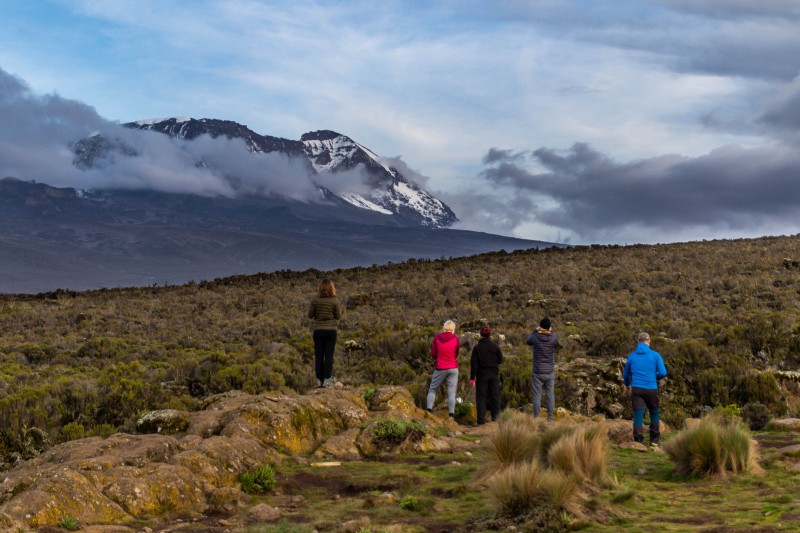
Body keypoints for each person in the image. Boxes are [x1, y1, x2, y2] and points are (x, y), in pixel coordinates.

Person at [622, 332, 668, 447]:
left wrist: (627, 385)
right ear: (649, 341)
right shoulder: (656, 355)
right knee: (654, 412)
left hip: (637, 389)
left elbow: (626, 374)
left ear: (638, 342)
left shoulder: (632, 356)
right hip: (651, 388)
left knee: (638, 414)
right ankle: (654, 441)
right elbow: (663, 372)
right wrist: (654, 377)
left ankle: (638, 441)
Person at [308, 278, 344, 388]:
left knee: (319, 355)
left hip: (318, 331)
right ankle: (328, 379)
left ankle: (319, 380)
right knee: (329, 355)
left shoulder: (315, 300)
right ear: (331, 288)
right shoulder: (334, 300)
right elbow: (338, 316)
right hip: (331, 331)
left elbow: (310, 315)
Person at [526, 317, 559, 420]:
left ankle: (536, 418)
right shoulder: (553, 337)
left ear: (540, 326)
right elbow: (557, 344)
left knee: (537, 396)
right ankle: (550, 418)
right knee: (550, 396)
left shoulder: (535, 336)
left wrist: (535, 330)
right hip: (549, 371)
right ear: (549, 327)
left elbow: (528, 341)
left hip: (538, 371)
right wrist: (551, 331)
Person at [426, 320, 461, 418]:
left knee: (432, 389)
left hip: (440, 367)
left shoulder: (437, 338)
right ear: (453, 330)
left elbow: (433, 354)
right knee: (451, 392)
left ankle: (429, 410)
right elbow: (457, 352)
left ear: (443, 329)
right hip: (453, 367)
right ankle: (451, 415)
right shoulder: (455, 339)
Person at [470, 325, 503, 425]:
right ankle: (496, 419)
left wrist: (472, 378)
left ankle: (481, 420)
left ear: (481, 334)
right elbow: (500, 360)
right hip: (494, 374)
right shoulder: (495, 346)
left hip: (481, 375)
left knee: (481, 397)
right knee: (495, 396)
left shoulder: (477, 348)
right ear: (490, 334)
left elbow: (474, 364)